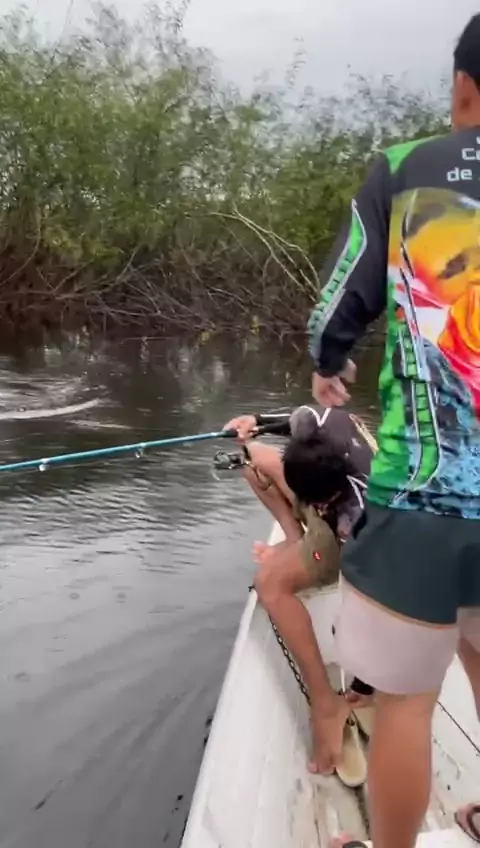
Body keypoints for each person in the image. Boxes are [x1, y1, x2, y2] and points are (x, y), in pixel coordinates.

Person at [308, 14, 480, 848]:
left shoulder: (406, 168)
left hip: (422, 495)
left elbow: (341, 295)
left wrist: (328, 361)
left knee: (408, 705)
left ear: (463, 85)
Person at [224, 404, 374, 774]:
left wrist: (364, 683)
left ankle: (325, 703)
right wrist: (257, 422)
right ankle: (295, 540)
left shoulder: (362, 519)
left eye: (314, 504)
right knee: (252, 458)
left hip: (349, 541)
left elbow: (374, 603)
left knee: (270, 584)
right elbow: (298, 416)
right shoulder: (325, 423)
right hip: (333, 508)